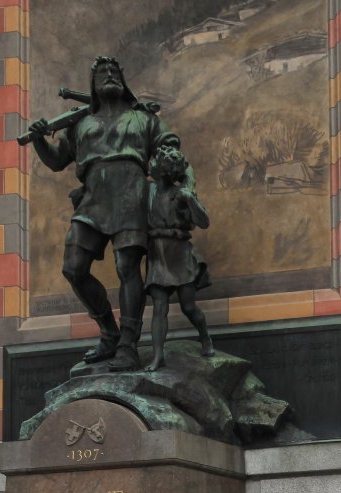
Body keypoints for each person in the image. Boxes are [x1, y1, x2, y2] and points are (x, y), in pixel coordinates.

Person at [26, 56, 188, 371]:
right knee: (74, 268)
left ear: (123, 81)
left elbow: (170, 146)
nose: (110, 75)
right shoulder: (79, 123)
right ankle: (109, 332)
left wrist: (178, 178)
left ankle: (128, 344)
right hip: (92, 199)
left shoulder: (143, 118)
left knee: (127, 266)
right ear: (94, 83)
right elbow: (57, 160)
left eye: (115, 71)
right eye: (103, 72)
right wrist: (38, 140)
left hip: (132, 194)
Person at [145, 145, 214, 371]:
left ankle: (205, 337)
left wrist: (191, 200)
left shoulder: (181, 194)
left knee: (188, 307)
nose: (151, 165)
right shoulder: (148, 191)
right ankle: (158, 356)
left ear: (164, 171)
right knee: (159, 307)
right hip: (158, 255)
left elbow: (204, 222)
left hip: (180, 254)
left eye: (156, 163)